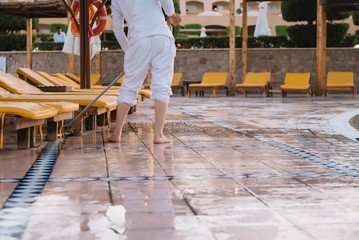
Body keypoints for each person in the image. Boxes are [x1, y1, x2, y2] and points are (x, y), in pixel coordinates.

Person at [109, 0, 182, 144]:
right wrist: (171, 14)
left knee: (129, 86)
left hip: (138, 39)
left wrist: (129, 48)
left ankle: (116, 133)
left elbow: (117, 29)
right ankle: (158, 135)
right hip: (162, 36)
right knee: (162, 86)